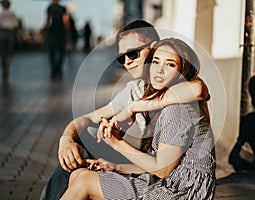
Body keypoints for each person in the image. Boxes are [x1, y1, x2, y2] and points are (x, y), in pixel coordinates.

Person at [40, 20, 210, 199]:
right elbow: (88, 119)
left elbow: (199, 89)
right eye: (122, 58)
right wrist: (66, 140)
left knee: (84, 180)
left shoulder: (180, 96)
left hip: (175, 183)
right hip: (156, 167)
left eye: (133, 53)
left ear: (152, 49)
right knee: (85, 145)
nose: (128, 62)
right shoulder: (135, 88)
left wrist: (135, 107)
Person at [43, 0, 68, 80]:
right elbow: (65, 21)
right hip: (61, 31)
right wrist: (67, 31)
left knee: (52, 51)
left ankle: (54, 69)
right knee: (61, 51)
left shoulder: (50, 8)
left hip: (53, 31)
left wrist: (45, 30)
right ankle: (59, 68)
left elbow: (47, 20)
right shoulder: (63, 8)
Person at [0, 0, 18, 80]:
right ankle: (8, 62)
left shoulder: (1, 14)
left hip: (3, 32)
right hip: (10, 32)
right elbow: (16, 25)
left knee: (3, 51)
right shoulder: (13, 14)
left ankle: (4, 66)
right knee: (10, 50)